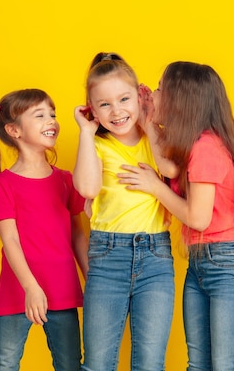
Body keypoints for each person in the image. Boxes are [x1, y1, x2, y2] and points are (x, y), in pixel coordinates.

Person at [117, 61, 234, 371]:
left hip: (229, 264)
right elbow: (169, 168)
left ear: (181, 100)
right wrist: (148, 123)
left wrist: (154, 187)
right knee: (198, 364)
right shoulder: (194, 144)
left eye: (159, 89)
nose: (153, 94)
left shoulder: (207, 147)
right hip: (201, 262)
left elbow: (198, 218)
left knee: (224, 365)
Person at [73, 52, 175, 371]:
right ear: (91, 109)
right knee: (99, 362)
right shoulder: (98, 146)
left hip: (156, 259)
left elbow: (169, 169)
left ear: (139, 97)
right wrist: (86, 133)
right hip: (108, 257)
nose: (117, 111)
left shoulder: (154, 137)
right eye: (104, 104)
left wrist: (147, 121)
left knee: (149, 363)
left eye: (124, 99)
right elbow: (87, 188)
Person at [0, 88, 89, 371]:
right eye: (40, 115)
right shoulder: (3, 184)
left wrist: (92, 277)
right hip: (18, 292)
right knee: (4, 364)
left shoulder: (66, 180)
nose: (51, 120)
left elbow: (78, 234)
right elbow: (11, 241)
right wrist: (30, 287)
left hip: (63, 289)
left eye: (52, 114)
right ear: (14, 130)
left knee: (69, 364)